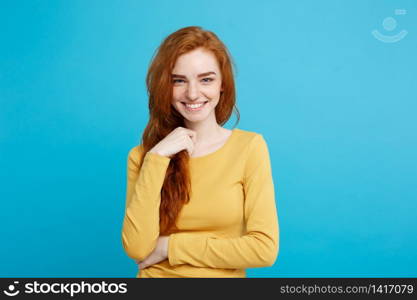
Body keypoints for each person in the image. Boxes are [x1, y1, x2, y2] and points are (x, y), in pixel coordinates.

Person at [121, 26, 279, 278]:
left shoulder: (249, 147)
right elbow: (138, 248)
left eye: (206, 79)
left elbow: (263, 250)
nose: (193, 93)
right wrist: (157, 159)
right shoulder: (144, 157)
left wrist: (169, 247)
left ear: (223, 85)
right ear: (165, 86)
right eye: (179, 80)